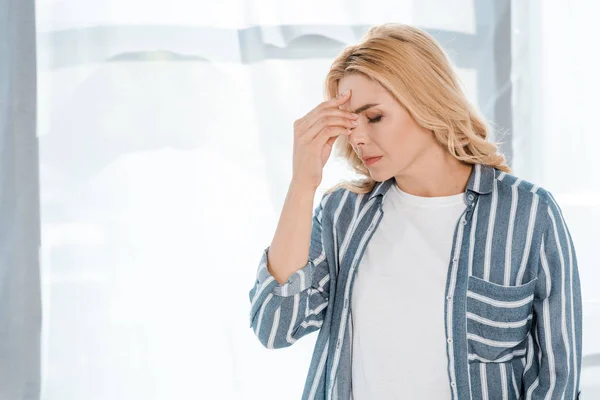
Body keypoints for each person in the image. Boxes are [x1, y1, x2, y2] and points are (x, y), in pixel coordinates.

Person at [248, 23, 582, 400]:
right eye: (349, 124)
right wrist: (301, 184)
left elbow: (557, 378)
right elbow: (274, 327)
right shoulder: (343, 213)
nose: (357, 138)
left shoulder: (529, 214)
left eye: (373, 117)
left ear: (427, 102)